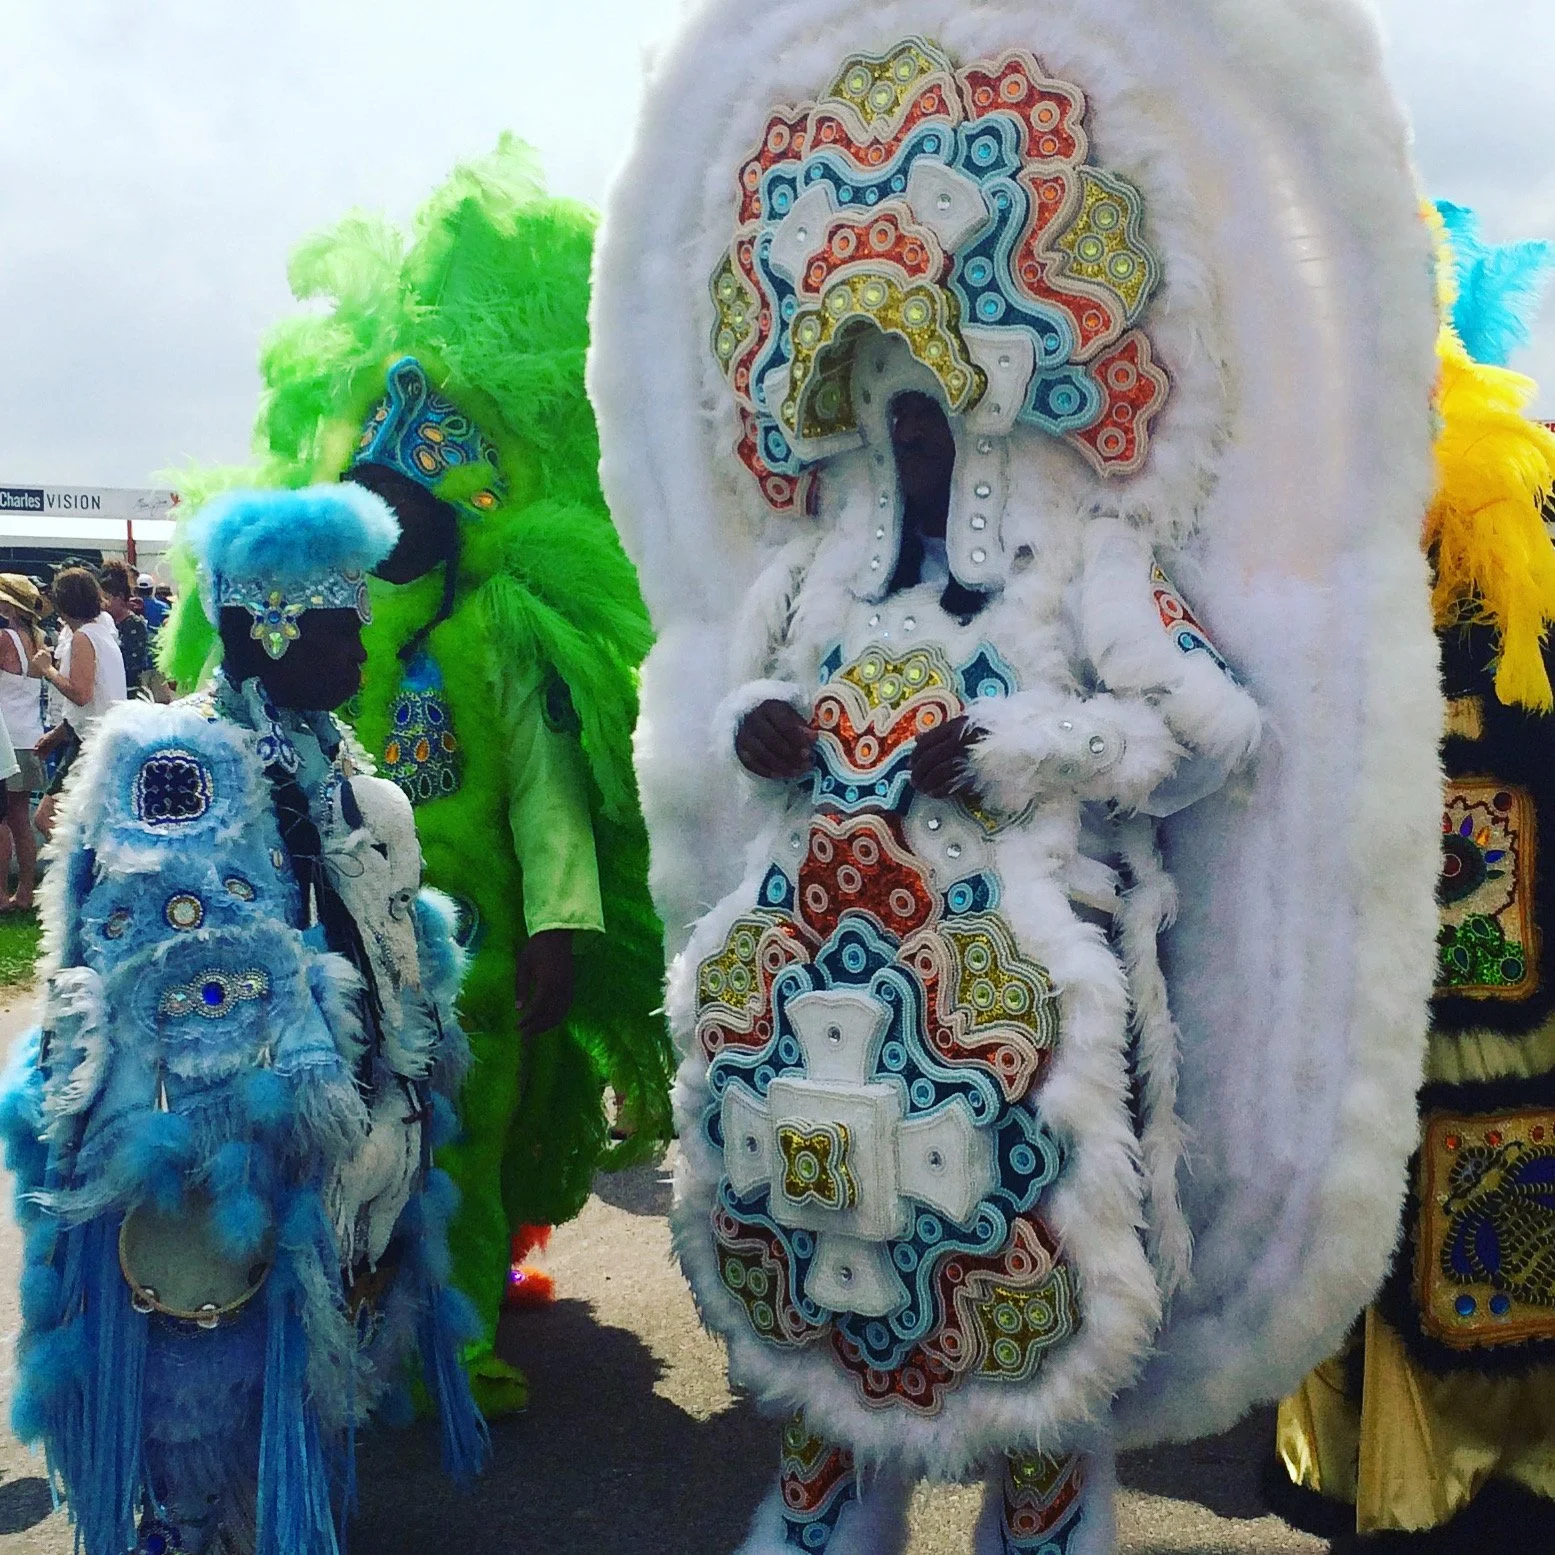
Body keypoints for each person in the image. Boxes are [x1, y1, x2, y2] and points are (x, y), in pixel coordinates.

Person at [590, 11, 1447, 1553]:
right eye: (866, 382)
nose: (896, 417)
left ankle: (1038, 1515)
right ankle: (829, 1505)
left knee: (1029, 1318)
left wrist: (1018, 752)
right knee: (826, 1293)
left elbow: (1207, 735)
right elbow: (738, 721)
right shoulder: (806, 580)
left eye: (919, 379)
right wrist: (764, 727)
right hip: (816, 999)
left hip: (1025, 1022)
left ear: (990, 382)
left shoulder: (1087, 562)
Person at [161, 137, 673, 1417]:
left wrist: (559, 924)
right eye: (372, 501)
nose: (390, 529)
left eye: (410, 505)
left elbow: (549, 793)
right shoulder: (323, 626)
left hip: (481, 935)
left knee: (473, 1122)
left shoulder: (505, 625)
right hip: (338, 936)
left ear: (454, 512)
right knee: (349, 1131)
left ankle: (461, 1330)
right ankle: (343, 1313)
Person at [1, 484, 485, 1555]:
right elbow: (161, 973)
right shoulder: (174, 761)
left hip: (332, 1137)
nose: (362, 647)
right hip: (221, 1149)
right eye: (342, 625)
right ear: (269, 628)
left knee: (309, 1372)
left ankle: (259, 1518)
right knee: (206, 1385)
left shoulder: (326, 751)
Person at [1270, 207, 1555, 1552]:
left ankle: (1486, 1446)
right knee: (1367, 1177)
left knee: (1483, 1162)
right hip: (1371, 930)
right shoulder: (1309, 522)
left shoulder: (1518, 497)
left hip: (1499, 937)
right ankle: (1382, 1441)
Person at [31, 568, 126, 838]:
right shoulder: (102, 632)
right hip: (97, 738)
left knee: (48, 819)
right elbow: (97, 700)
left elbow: (82, 695)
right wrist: (56, 735)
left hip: (89, 743)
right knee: (80, 821)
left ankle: (80, 864)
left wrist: (48, 670)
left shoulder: (83, 638)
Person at [0, 574, 50, 909]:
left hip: (7, 737)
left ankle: (2, 893)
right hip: (31, 735)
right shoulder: (38, 638)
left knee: (3, 820)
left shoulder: (4, 638)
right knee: (20, 819)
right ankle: (26, 890)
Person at [100, 560, 170, 703]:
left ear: (119, 597)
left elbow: (131, 667)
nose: (103, 604)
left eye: (107, 598)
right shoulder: (103, 622)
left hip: (131, 694)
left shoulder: (135, 625)